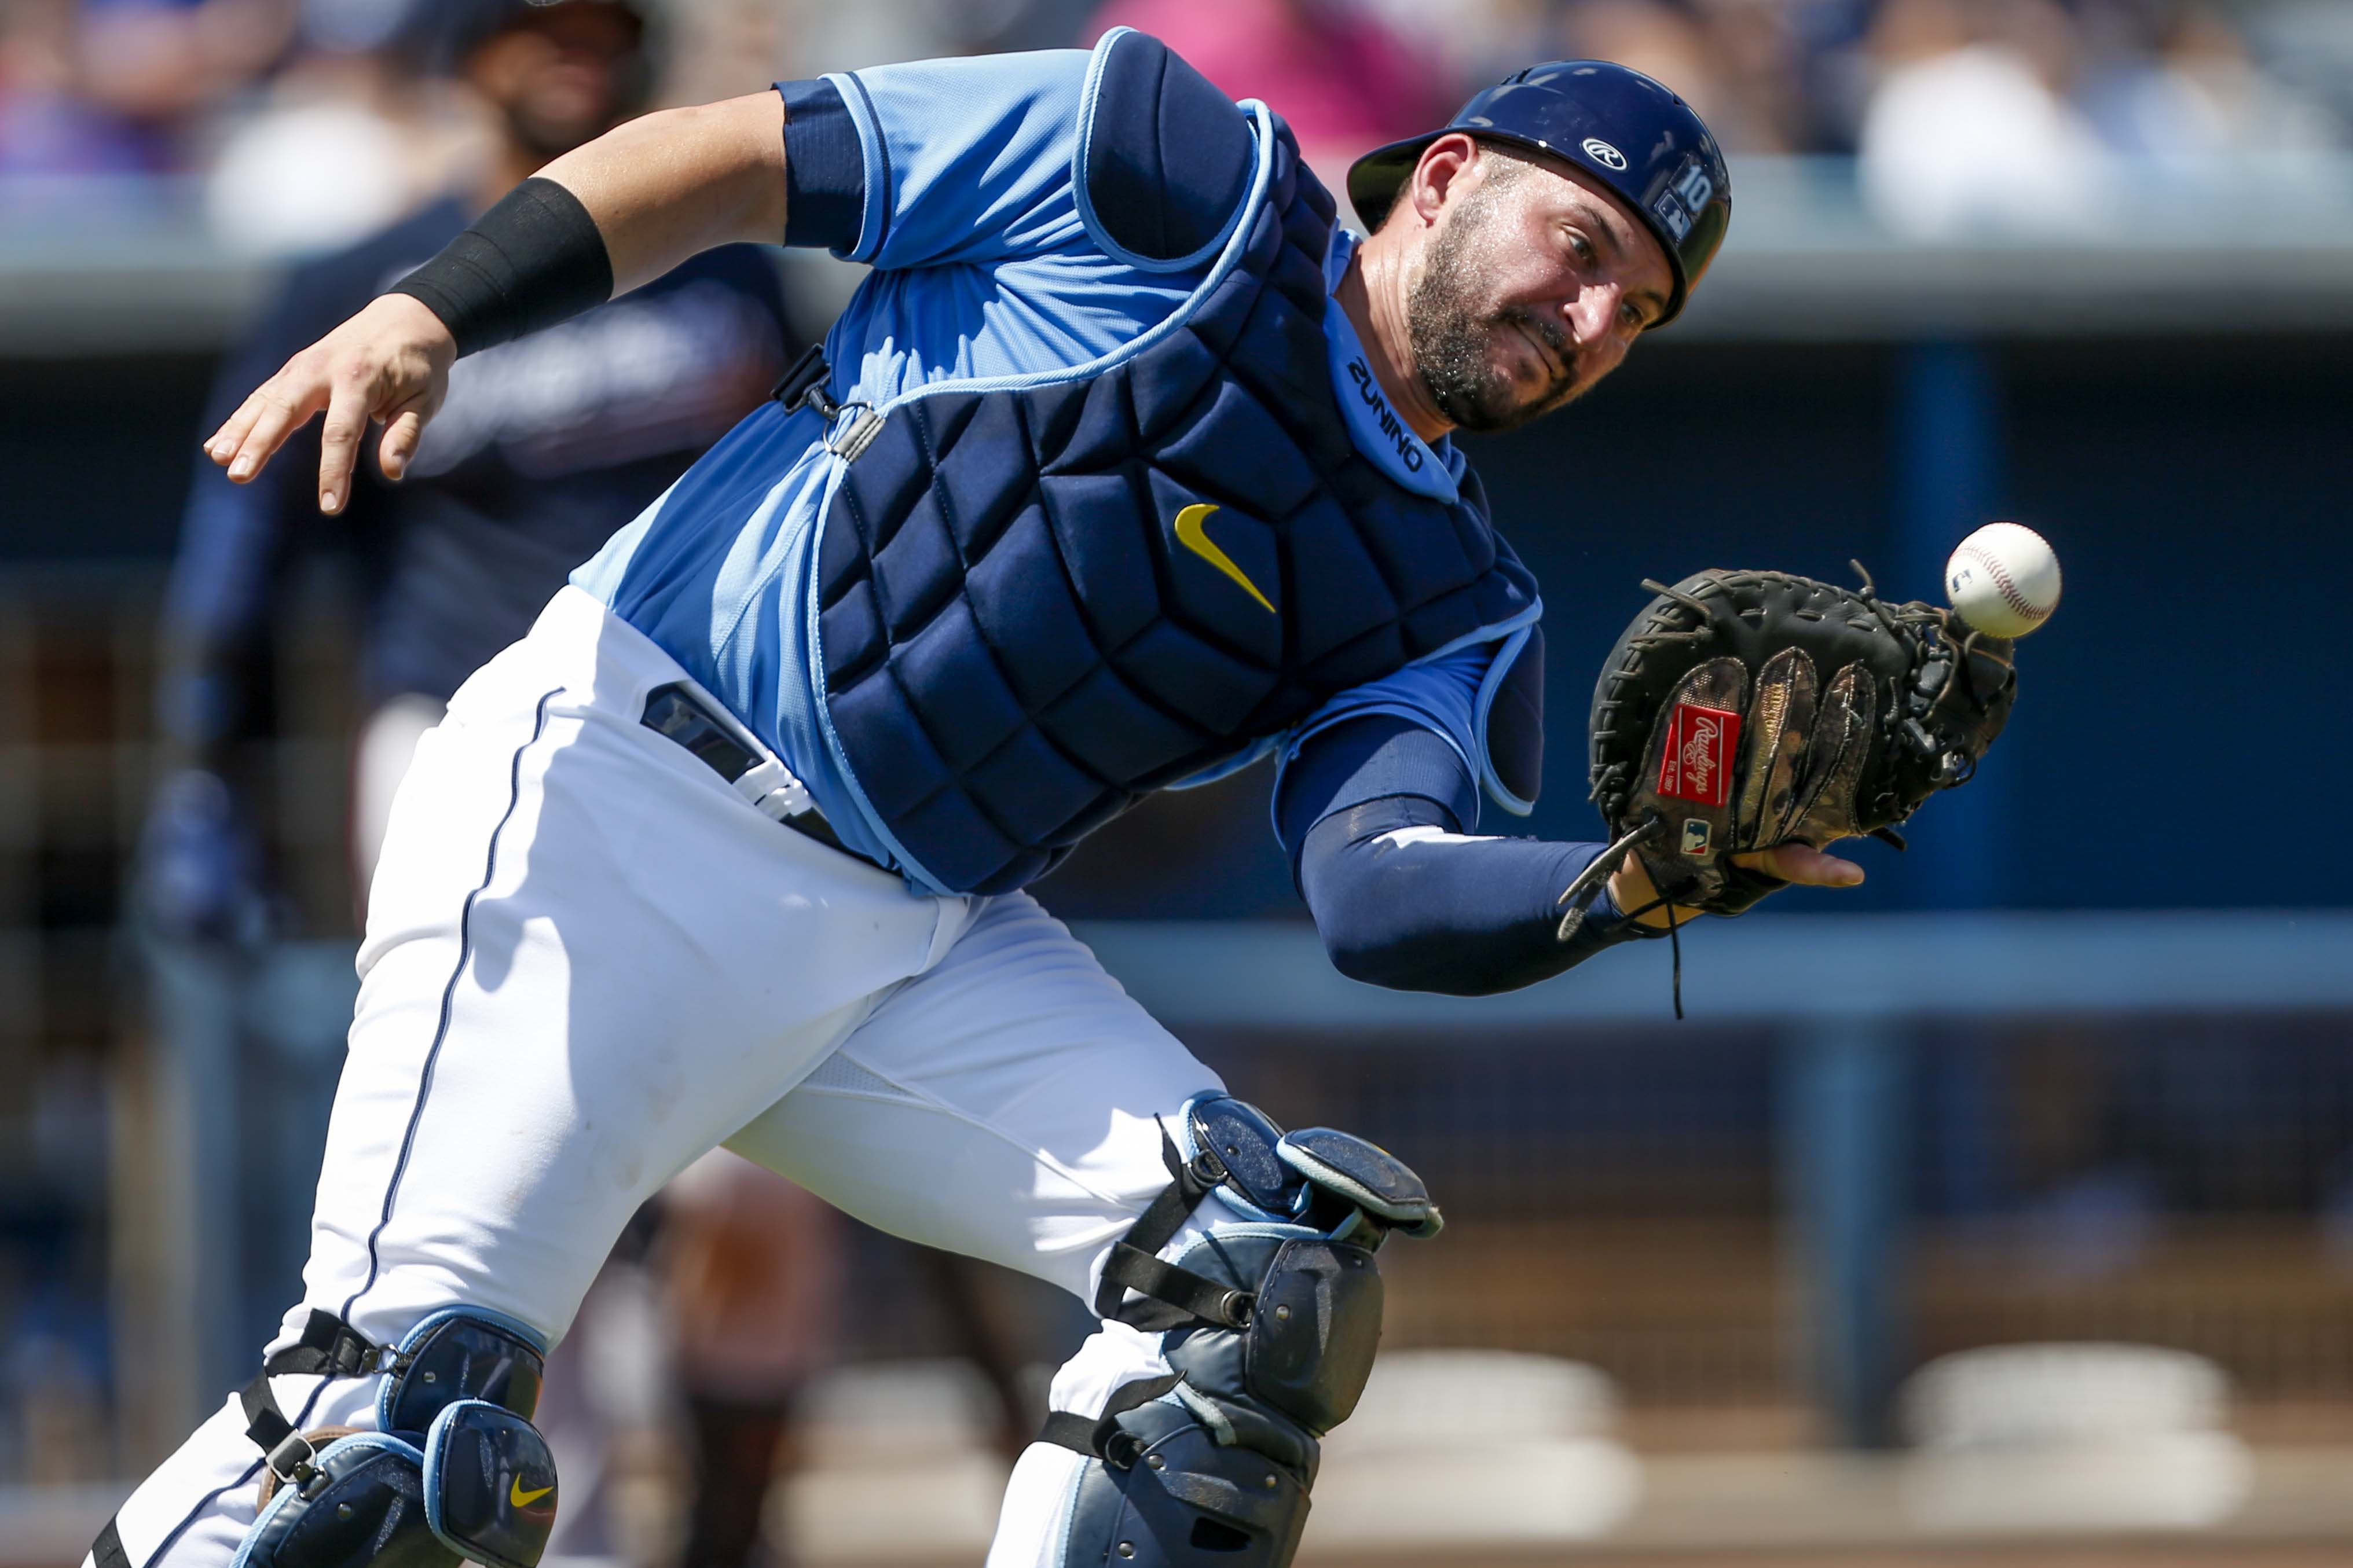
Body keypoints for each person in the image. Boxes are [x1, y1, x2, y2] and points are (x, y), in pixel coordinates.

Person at [93, 34, 1863, 1568]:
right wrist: (431, 310)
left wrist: (1644, 877)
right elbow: (729, 155)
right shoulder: (1167, 172)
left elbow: (1377, 891)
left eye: (1635, 310)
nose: (1589, 318)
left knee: (1250, 1291)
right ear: (1451, 171)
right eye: (1580, 248)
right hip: (620, 784)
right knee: (389, 1447)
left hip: (909, 938)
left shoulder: (1457, 599)